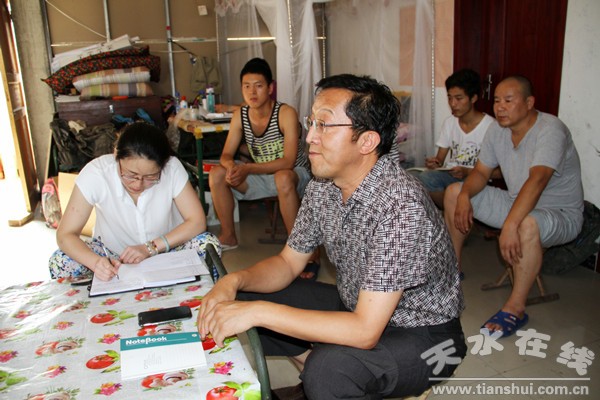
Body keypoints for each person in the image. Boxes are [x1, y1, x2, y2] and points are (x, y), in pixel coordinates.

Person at [198, 74, 466, 399]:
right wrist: (234, 281)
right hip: (358, 305)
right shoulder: (323, 186)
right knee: (244, 297)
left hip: (425, 334)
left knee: (328, 369)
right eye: (311, 123)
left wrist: (259, 314)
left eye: (324, 125)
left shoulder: (401, 206)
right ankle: (319, 386)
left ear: (366, 142)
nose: (310, 136)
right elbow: (288, 263)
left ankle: (323, 383)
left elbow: (365, 331)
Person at [444, 75, 584, 338]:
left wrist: (510, 225)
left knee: (527, 223)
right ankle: (452, 270)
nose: (500, 107)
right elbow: (481, 172)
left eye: (508, 100)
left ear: (529, 103)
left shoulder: (550, 129)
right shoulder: (497, 129)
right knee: (454, 192)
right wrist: (464, 196)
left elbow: (538, 180)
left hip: (559, 213)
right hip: (515, 202)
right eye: (497, 101)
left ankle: (516, 308)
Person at [49, 122, 220, 281]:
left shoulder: (172, 168)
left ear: (163, 165)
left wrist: (150, 248)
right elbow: (66, 234)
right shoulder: (96, 173)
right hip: (113, 258)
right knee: (60, 261)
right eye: (130, 175)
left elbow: (197, 221)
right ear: (116, 154)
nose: (138, 184)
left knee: (208, 244)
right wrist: (96, 263)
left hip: (165, 250)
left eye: (150, 177)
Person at [209, 58, 320, 279]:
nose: (252, 92)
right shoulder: (241, 115)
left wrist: (248, 168)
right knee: (217, 174)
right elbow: (226, 155)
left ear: (270, 88)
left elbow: (288, 161)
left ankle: (299, 250)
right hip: (262, 176)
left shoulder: (285, 113)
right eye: (246, 86)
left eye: (258, 86)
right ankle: (228, 235)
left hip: (296, 176)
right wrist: (232, 168)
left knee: (282, 177)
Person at [411, 68, 495, 209]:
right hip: (451, 175)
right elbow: (440, 160)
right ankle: (453, 212)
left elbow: (500, 172)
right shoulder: (450, 123)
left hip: (477, 178)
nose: (453, 103)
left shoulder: (491, 127)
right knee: (412, 176)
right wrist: (434, 163)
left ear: (473, 98)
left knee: (428, 179)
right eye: (449, 98)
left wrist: (467, 171)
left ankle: (453, 213)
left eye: (459, 98)